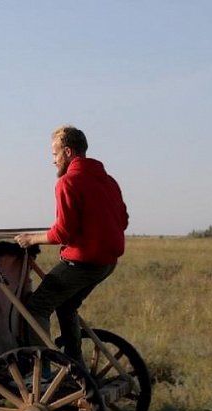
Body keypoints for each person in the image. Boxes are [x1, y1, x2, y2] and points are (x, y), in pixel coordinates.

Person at [14, 125, 128, 366]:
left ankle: (42, 370)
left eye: (54, 154)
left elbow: (63, 233)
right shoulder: (109, 181)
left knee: (36, 307)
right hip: (107, 263)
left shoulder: (68, 182)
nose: (53, 160)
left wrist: (31, 239)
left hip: (83, 262)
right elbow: (123, 220)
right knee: (66, 306)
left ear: (67, 152)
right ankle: (75, 366)